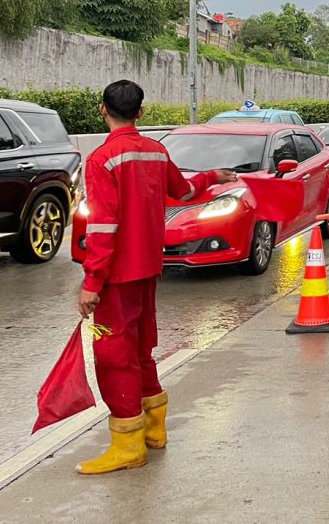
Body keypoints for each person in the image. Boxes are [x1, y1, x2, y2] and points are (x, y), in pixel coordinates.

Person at [77, 80, 236, 474]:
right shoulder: (155, 151)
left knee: (114, 357)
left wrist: (92, 283)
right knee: (141, 350)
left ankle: (128, 445)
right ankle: (154, 428)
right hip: (148, 269)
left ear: (102, 109)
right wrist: (213, 176)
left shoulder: (102, 159)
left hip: (116, 277)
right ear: (141, 113)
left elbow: (102, 228)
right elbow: (184, 192)